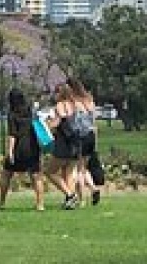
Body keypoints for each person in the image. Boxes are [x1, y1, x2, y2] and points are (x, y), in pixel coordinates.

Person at [0, 89, 44, 211]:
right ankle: (40, 204)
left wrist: (10, 152)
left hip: (19, 147)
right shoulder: (30, 112)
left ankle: (2, 201)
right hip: (32, 145)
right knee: (36, 176)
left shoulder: (12, 115)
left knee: (6, 174)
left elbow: (12, 135)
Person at [47, 83, 83, 209]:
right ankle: (71, 201)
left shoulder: (60, 105)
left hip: (64, 143)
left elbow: (57, 123)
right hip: (77, 142)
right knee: (68, 172)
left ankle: (70, 195)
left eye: (56, 92)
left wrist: (48, 123)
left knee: (50, 172)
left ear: (60, 93)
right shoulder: (77, 105)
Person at [67, 77, 102, 205]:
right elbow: (94, 122)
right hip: (90, 135)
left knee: (77, 169)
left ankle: (81, 199)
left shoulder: (73, 102)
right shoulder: (89, 100)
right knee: (84, 168)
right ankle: (93, 188)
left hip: (79, 136)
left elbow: (71, 121)